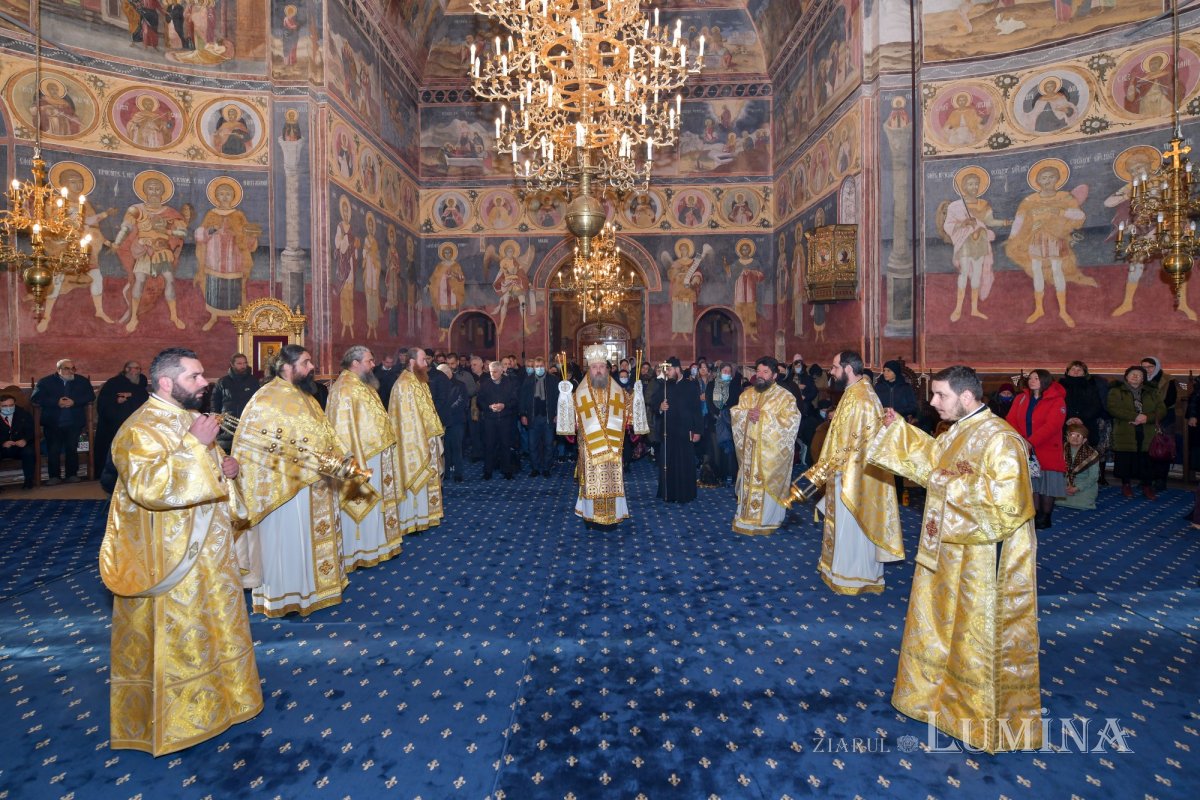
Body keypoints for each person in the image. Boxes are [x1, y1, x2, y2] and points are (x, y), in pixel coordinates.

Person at [868, 365, 1040, 753]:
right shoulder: (958, 429)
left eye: (940, 395)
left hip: (982, 555)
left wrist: (944, 481)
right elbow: (932, 458)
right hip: (948, 547)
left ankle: (977, 717)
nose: (932, 402)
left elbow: (1010, 505)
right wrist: (899, 431)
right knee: (943, 621)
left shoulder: (1001, 439)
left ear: (966, 397)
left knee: (974, 632)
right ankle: (934, 698)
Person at [99, 347, 262, 755]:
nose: (204, 382)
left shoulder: (193, 420)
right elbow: (148, 488)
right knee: (182, 633)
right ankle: (179, 720)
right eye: (195, 376)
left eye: (203, 374)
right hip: (170, 558)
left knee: (218, 624)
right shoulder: (139, 428)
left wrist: (227, 470)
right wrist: (195, 449)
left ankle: (231, 698)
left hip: (212, 552)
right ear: (167, 383)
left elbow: (212, 472)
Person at [233, 344, 348, 617]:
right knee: (289, 543)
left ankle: (316, 590)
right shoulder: (266, 399)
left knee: (308, 541)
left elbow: (323, 433)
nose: (312, 368)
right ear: (286, 366)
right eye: (306, 362)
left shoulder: (305, 395)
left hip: (315, 483)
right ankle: (287, 598)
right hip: (284, 491)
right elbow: (254, 449)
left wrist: (340, 459)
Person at [794, 351, 904, 594]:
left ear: (847, 369)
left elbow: (853, 445)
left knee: (853, 527)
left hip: (855, 476)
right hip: (844, 471)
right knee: (843, 526)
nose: (831, 372)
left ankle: (854, 575)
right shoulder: (854, 393)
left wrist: (823, 471)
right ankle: (840, 570)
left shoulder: (862, 398)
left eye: (834, 368)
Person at [326, 346, 404, 570]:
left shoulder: (362, 385)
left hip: (377, 454)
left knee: (379, 502)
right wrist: (355, 464)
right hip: (364, 458)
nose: (373, 365)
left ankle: (381, 544)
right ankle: (363, 550)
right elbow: (342, 432)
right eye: (369, 361)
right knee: (368, 502)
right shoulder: (344, 389)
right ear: (355, 362)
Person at [557, 345, 649, 526]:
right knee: (592, 481)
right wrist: (564, 398)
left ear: (607, 369)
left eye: (601, 366)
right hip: (590, 446)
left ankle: (613, 516)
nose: (598, 370)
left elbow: (631, 415)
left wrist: (638, 396)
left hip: (613, 447)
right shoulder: (578, 394)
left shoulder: (620, 392)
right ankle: (591, 517)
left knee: (611, 481)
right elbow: (569, 423)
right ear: (589, 369)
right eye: (594, 367)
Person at [730, 357, 801, 535]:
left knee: (766, 484)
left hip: (770, 455)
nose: (760, 375)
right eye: (758, 371)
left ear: (775, 375)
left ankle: (767, 519)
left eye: (765, 372)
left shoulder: (785, 397)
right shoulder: (746, 395)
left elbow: (791, 422)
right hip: (749, 452)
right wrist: (746, 415)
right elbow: (735, 413)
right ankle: (745, 516)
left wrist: (764, 418)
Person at [388, 347, 446, 531]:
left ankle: (425, 515)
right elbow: (406, 421)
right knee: (416, 480)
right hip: (415, 444)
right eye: (423, 359)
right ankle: (413, 519)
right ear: (412, 362)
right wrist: (421, 442)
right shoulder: (404, 384)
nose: (426, 363)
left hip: (427, 439)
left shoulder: (419, 380)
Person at [1006, 369, 1067, 529]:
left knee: (1047, 483)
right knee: (1032, 483)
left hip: (1046, 446)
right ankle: (1034, 514)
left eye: (1036, 378)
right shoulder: (1021, 398)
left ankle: (1045, 517)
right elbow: (1011, 420)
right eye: (1030, 378)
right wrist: (1020, 440)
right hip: (1025, 446)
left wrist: (1030, 442)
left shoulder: (1057, 400)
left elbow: (1053, 425)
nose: (1032, 381)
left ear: (1045, 381)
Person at [32, 358, 96, 484]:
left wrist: (74, 402)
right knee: (53, 449)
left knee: (72, 448)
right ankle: (54, 476)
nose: (71, 371)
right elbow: (36, 398)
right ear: (58, 370)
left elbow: (90, 396)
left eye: (73, 368)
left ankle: (71, 474)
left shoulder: (81, 381)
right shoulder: (45, 382)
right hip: (53, 422)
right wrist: (56, 402)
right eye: (67, 368)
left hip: (74, 422)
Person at [648, 357, 702, 503]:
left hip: (686, 432)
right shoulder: (665, 386)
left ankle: (685, 494)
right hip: (668, 431)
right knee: (668, 462)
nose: (667, 373)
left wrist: (697, 431)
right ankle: (669, 493)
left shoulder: (691, 386)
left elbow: (697, 410)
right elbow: (653, 402)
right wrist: (660, 407)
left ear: (678, 369)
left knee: (685, 463)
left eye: (670, 370)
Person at [1108, 365, 1165, 500]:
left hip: (1147, 429)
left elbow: (1162, 409)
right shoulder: (1116, 391)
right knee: (1126, 458)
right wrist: (1135, 417)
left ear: (1143, 379)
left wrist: (1146, 418)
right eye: (1132, 374)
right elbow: (1113, 408)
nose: (1135, 376)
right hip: (1125, 428)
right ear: (1126, 377)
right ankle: (1126, 484)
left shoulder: (1152, 392)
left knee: (1147, 459)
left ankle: (1147, 486)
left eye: (1139, 375)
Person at [94, 361, 149, 478]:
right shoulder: (113, 383)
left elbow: (144, 398)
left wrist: (131, 395)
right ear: (126, 369)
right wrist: (116, 401)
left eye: (138, 368)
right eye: (133, 368)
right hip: (114, 424)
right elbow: (103, 403)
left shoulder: (141, 384)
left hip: (136, 424)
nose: (136, 371)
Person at [211, 353, 260, 452]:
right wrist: (216, 421)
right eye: (239, 363)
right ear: (232, 365)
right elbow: (215, 402)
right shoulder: (223, 382)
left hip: (248, 425)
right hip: (227, 426)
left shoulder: (253, 381)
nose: (243, 366)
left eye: (245, 363)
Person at [478, 360, 518, 480]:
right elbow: (479, 401)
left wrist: (504, 405)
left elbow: (515, 400)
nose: (492, 374)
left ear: (501, 371)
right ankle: (488, 471)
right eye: (491, 372)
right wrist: (489, 407)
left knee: (505, 445)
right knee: (489, 446)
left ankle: (507, 470)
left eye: (495, 372)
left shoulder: (510, 383)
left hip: (505, 419)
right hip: (489, 419)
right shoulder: (485, 384)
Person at [1141, 357, 1177, 491]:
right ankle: (1146, 479)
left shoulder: (1168, 380)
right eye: (1143, 367)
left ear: (1156, 366)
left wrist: (1153, 411)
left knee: (1162, 450)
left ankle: (1161, 480)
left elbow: (1170, 400)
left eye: (1149, 367)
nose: (1146, 370)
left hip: (1164, 419)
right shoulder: (1139, 379)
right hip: (1145, 420)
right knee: (1146, 449)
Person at [519, 356, 556, 478]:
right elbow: (522, 399)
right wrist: (523, 414)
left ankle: (546, 468)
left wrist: (556, 414)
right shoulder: (528, 380)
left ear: (545, 366)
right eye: (537, 366)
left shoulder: (552, 380)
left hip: (548, 418)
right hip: (532, 417)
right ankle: (535, 468)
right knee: (532, 445)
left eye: (541, 366)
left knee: (548, 445)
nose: (539, 368)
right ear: (533, 367)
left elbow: (557, 399)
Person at [705, 362, 741, 486]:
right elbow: (709, 402)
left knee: (731, 450)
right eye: (724, 371)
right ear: (720, 372)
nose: (726, 373)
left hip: (731, 421)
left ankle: (732, 475)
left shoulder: (735, 386)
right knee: (717, 451)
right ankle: (720, 475)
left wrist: (728, 413)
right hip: (715, 422)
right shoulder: (711, 385)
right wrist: (718, 413)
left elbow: (738, 403)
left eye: (728, 371)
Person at [433, 363, 468, 482]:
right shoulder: (437, 385)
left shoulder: (460, 385)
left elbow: (461, 401)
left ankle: (458, 473)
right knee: (444, 449)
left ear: (448, 373)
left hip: (456, 421)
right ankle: (445, 473)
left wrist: (446, 409)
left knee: (457, 448)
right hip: (442, 421)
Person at [1059, 423, 1100, 511]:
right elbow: (1055, 471)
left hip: (1083, 486)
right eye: (1072, 434)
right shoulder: (1060, 450)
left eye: (1079, 435)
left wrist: (1077, 488)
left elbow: (1093, 477)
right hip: (1062, 484)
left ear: (1084, 440)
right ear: (1067, 437)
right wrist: (1063, 486)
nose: (1075, 438)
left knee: (1083, 503)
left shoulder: (1092, 454)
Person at [0, 393, 36, 490]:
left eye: (11, 405)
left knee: (29, 452)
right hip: (2, 447)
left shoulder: (23, 414)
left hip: (19, 446)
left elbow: (31, 431)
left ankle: (29, 481)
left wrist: (25, 440)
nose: (8, 408)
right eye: (4, 406)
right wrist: (2, 443)